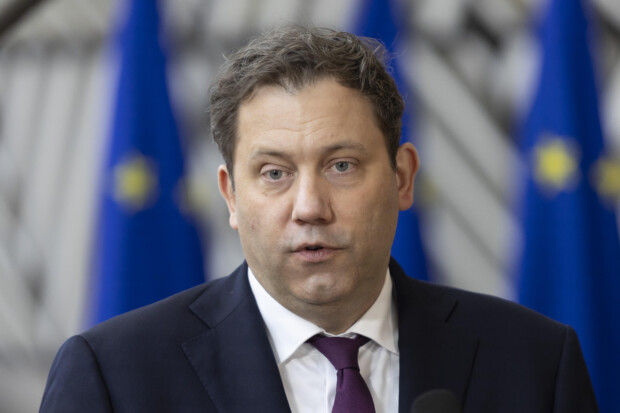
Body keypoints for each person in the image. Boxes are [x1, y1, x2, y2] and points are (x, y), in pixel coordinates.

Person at [40, 26, 598, 413]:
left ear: (403, 178)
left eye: (341, 166)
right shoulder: (114, 375)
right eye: (274, 173)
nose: (309, 206)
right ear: (231, 196)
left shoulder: (534, 362)